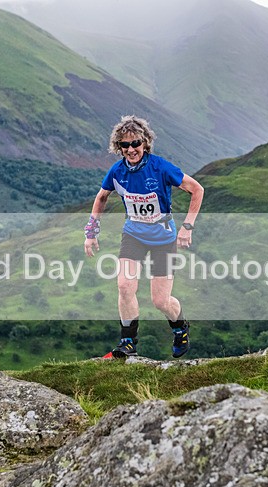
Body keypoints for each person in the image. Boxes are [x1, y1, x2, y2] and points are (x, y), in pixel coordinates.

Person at [84, 115, 204, 358]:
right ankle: (128, 341)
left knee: (160, 301)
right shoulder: (117, 171)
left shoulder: (160, 167)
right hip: (134, 235)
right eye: (124, 145)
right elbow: (101, 197)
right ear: (118, 148)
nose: (131, 150)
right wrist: (91, 232)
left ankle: (180, 327)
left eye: (135, 143)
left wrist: (187, 227)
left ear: (145, 143)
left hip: (163, 237)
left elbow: (197, 189)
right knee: (125, 286)